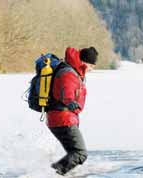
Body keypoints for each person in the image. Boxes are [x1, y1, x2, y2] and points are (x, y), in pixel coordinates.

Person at [47, 46, 98, 175]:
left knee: (74, 153)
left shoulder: (74, 72)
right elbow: (66, 92)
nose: (93, 68)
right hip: (63, 119)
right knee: (80, 153)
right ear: (85, 63)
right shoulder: (69, 73)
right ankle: (52, 174)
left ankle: (52, 172)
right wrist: (70, 102)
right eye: (92, 65)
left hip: (63, 118)